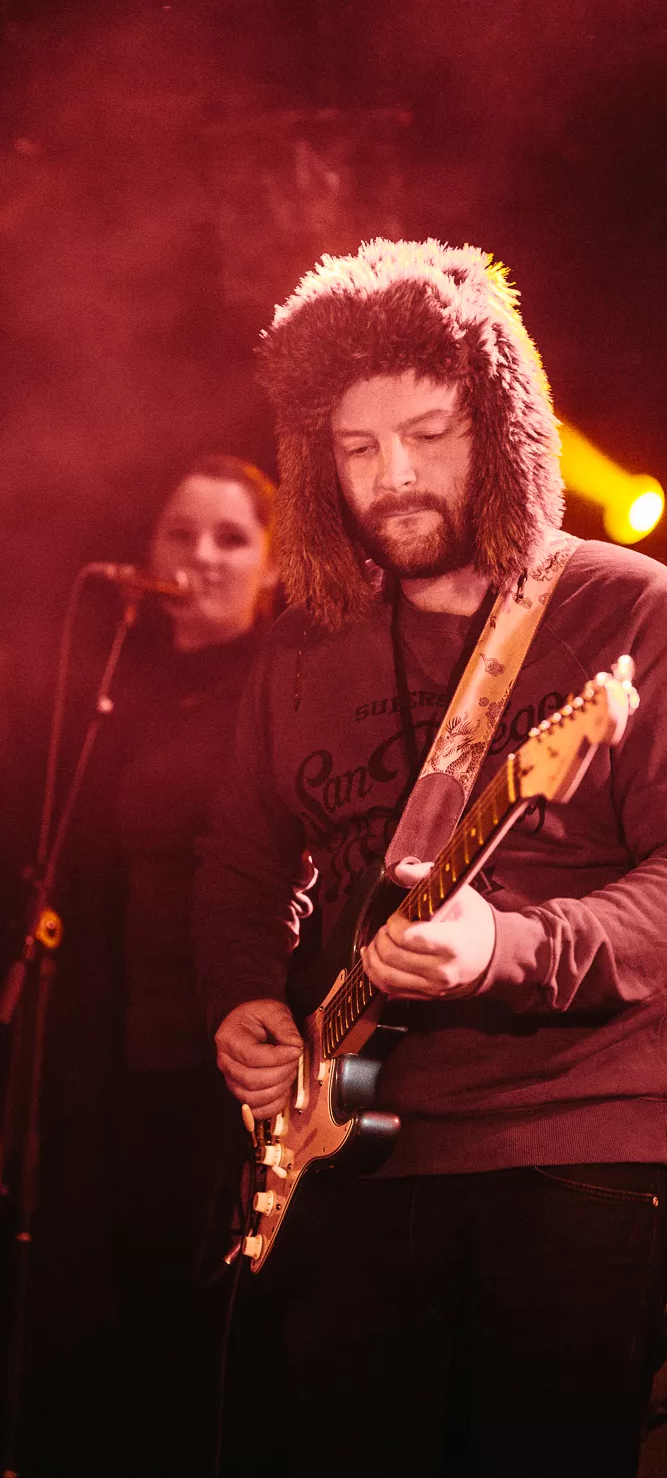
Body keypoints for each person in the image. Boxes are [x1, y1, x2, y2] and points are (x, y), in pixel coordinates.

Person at [194, 239, 667, 1478]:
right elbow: (242, 862)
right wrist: (243, 998)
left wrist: (511, 945)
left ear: (498, 434)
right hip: (344, 1156)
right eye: (357, 449)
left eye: (428, 435)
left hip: (576, 1152)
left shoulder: (626, 611)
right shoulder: (303, 647)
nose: (392, 477)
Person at [25, 455, 278, 1476]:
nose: (200, 556)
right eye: (181, 532)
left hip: (225, 1069)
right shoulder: (118, 695)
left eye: (230, 538)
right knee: (115, 1340)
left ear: (272, 566)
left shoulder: (274, 695)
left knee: (203, 1350)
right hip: (121, 1064)